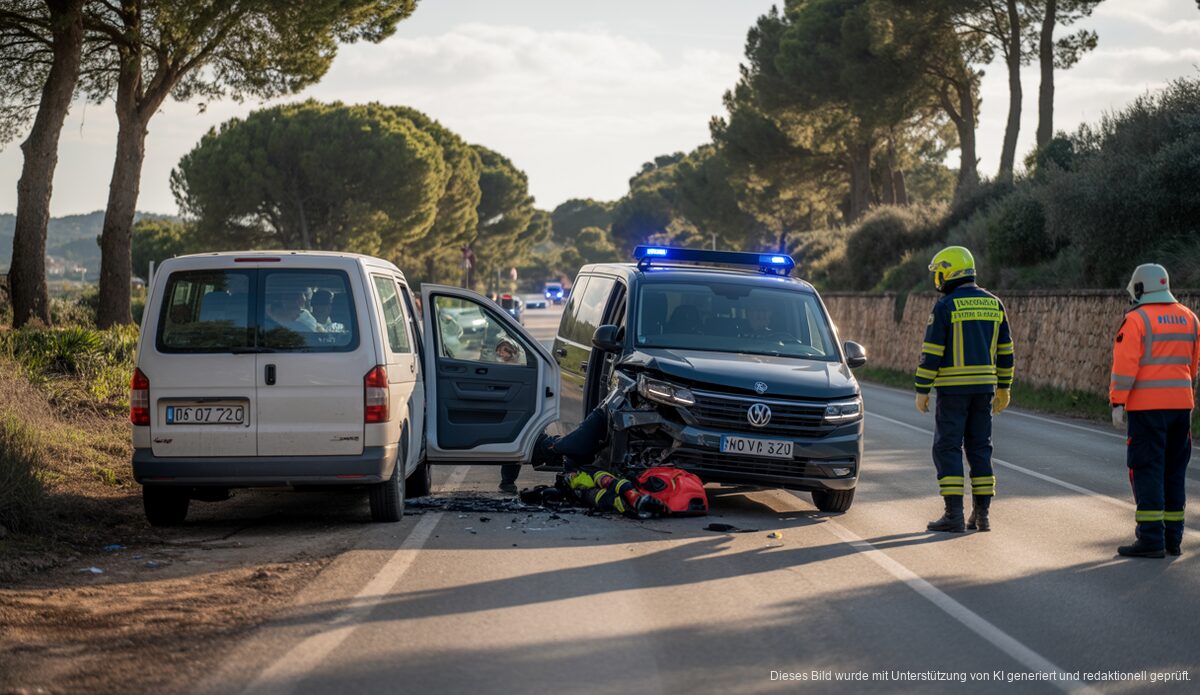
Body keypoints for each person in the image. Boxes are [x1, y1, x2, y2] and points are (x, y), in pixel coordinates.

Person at [914, 246, 1014, 533]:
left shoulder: (945, 306)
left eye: (940, 272)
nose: (938, 279)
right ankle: (982, 516)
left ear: (950, 271)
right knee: (980, 449)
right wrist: (1004, 387)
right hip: (984, 391)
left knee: (947, 448)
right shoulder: (994, 304)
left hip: (953, 392)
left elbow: (932, 352)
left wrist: (922, 388)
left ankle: (953, 514)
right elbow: (1006, 351)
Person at [1109, 263, 1199, 558]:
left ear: (1139, 288)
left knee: (1147, 469)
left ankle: (1150, 539)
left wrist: (1117, 402)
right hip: (1181, 407)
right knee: (1174, 471)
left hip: (1147, 409)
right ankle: (1173, 539)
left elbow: (1125, 368)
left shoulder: (1136, 320)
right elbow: (1193, 365)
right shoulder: (1189, 318)